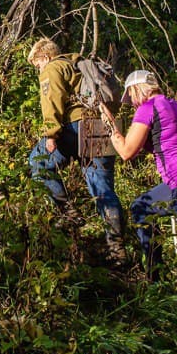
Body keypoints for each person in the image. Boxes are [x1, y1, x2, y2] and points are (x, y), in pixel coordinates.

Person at [100, 69, 177, 276]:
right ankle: (155, 272)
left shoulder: (148, 107)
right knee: (141, 208)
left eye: (131, 96)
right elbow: (163, 140)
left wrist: (110, 124)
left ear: (137, 90)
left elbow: (126, 152)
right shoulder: (175, 106)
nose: (132, 102)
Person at [26, 38, 126, 259]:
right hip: (101, 126)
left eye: (37, 65)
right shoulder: (80, 65)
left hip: (76, 127)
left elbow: (51, 102)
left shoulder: (53, 67)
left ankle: (69, 213)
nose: (39, 70)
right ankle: (117, 249)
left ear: (45, 56)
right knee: (103, 190)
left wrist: (51, 134)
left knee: (37, 163)